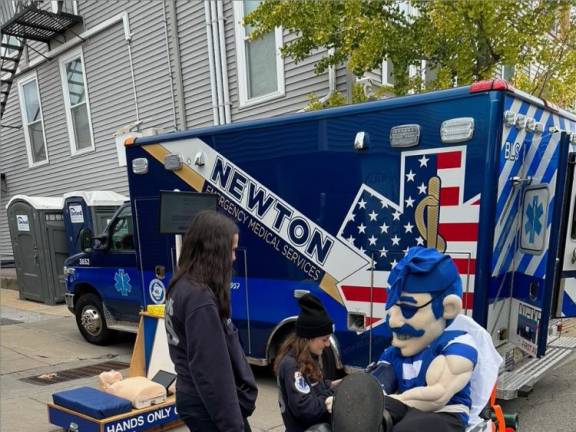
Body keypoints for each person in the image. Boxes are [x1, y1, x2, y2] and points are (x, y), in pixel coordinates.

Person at [329, 247, 478, 432]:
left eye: (408, 308)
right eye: (392, 308)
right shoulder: (394, 353)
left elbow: (436, 396)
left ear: (448, 308)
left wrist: (379, 404)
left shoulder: (457, 344)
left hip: (444, 414)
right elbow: (376, 386)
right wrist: (347, 401)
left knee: (406, 428)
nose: (393, 320)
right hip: (403, 408)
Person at [165, 210, 257, 432]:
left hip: (193, 395)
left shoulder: (181, 285)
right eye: (232, 250)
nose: (234, 257)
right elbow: (212, 370)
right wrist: (233, 425)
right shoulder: (200, 298)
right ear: (214, 251)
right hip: (205, 401)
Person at [275, 293, 341, 432]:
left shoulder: (308, 357)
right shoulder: (292, 366)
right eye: (324, 339)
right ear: (308, 338)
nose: (328, 344)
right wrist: (330, 397)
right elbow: (306, 409)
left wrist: (339, 384)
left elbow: (316, 387)